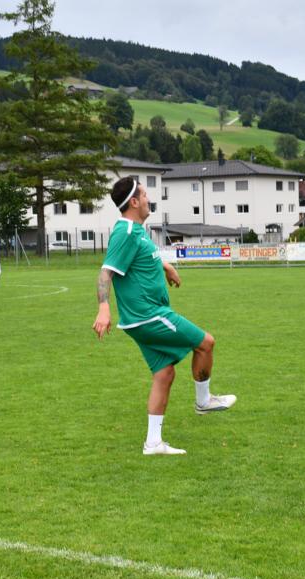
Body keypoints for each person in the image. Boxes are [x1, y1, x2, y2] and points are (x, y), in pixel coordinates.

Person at [93, 177, 236, 456]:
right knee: (206, 343)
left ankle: (153, 443)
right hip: (149, 315)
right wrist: (103, 307)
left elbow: (144, 258)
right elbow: (105, 272)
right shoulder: (126, 232)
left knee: (164, 374)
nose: (149, 199)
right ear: (134, 202)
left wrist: (166, 266)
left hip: (140, 319)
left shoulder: (136, 231)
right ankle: (204, 401)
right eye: (145, 195)